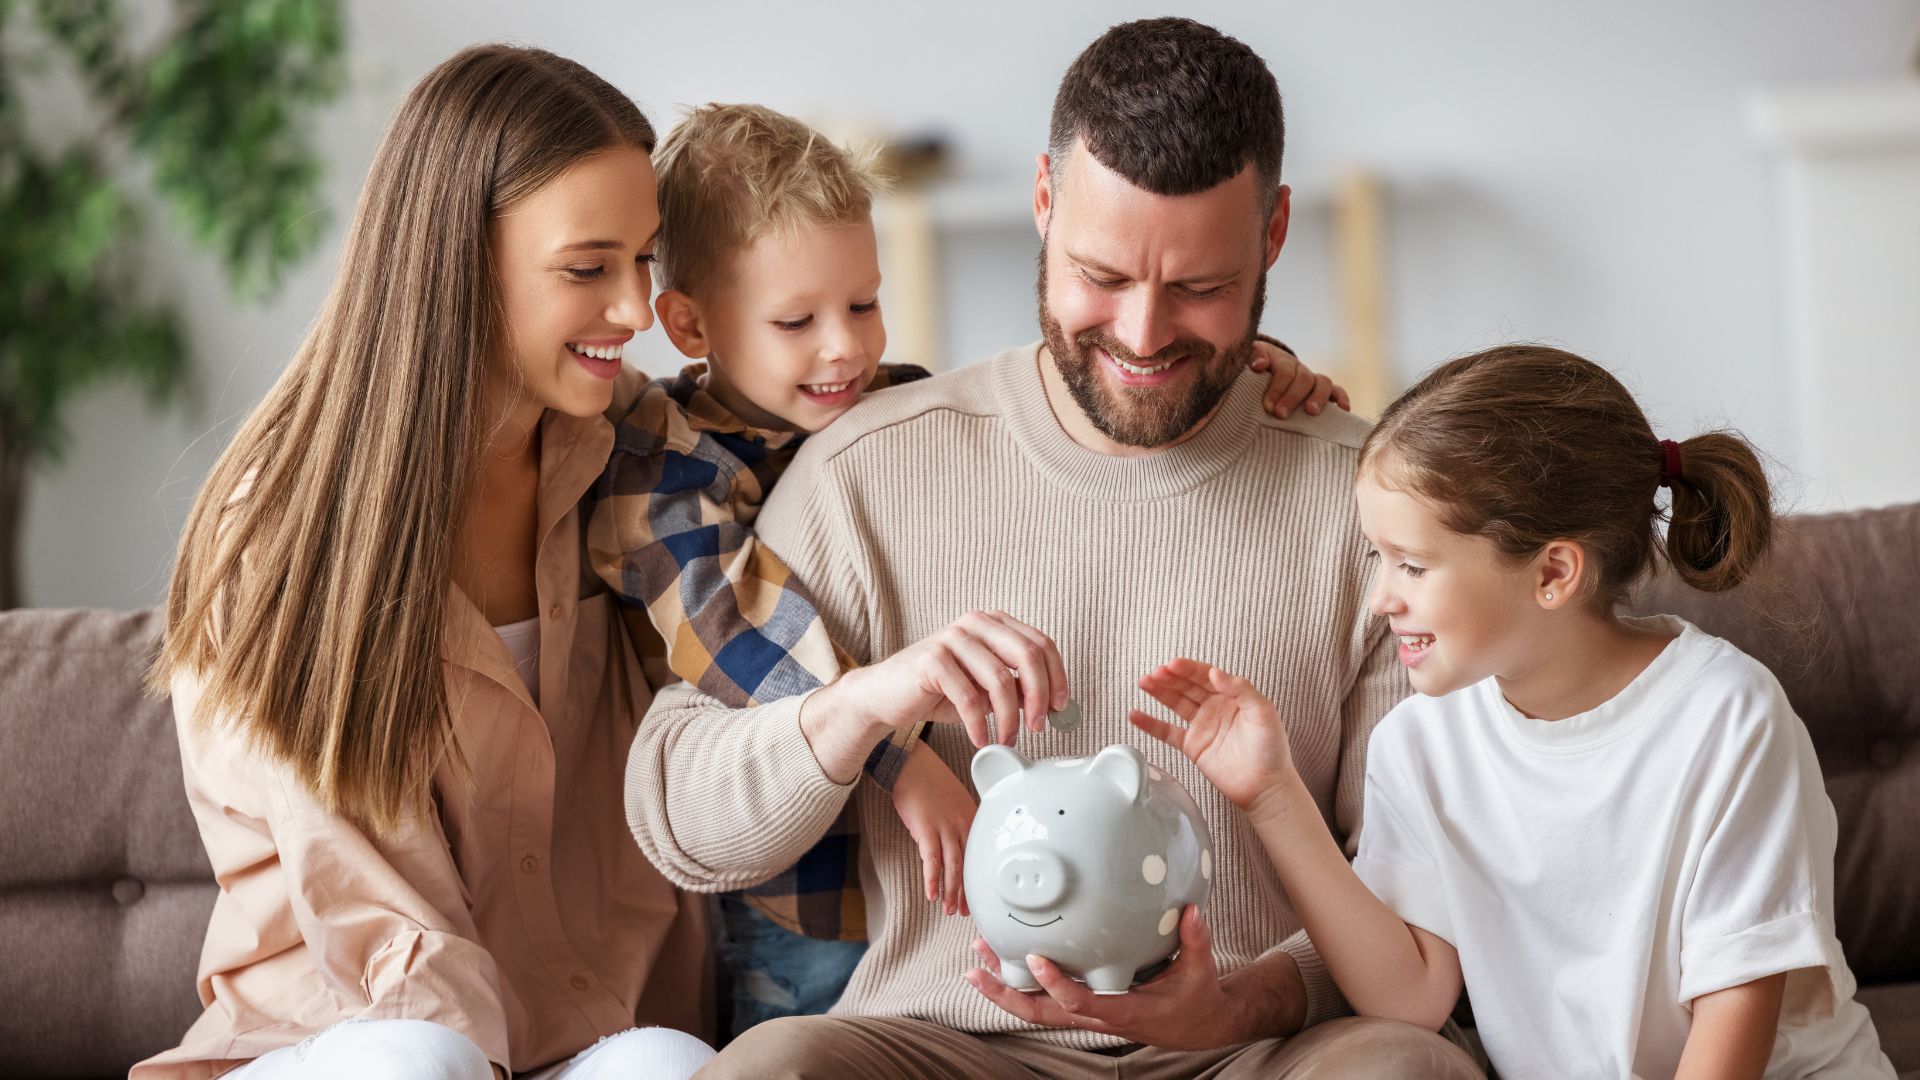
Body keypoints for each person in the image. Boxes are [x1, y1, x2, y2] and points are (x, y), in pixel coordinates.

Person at [626, 18, 1483, 1078]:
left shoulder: (1368, 503)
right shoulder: (863, 467)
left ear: (1272, 237)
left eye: (1201, 290)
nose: (1140, 333)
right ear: (1043, 201)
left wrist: (1240, 1001)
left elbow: (1422, 891)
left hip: (1264, 1048)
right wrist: (863, 706)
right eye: (1102, 275)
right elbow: (681, 822)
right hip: (942, 1045)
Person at [137, 46, 715, 1079]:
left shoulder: (631, 452)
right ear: (457, 260)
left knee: (665, 1066)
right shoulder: (282, 523)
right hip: (346, 1032)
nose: (636, 313)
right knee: (419, 1058)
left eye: (645, 260)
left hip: (578, 1035)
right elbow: (370, 913)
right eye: (588, 269)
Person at [1131, 344, 1897, 1078]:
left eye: (1414, 565)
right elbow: (1410, 996)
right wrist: (1272, 795)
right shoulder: (1421, 745)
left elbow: (1739, 1003)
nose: (1379, 601)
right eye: (1377, 557)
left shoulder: (1727, 718)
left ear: (1554, 572)